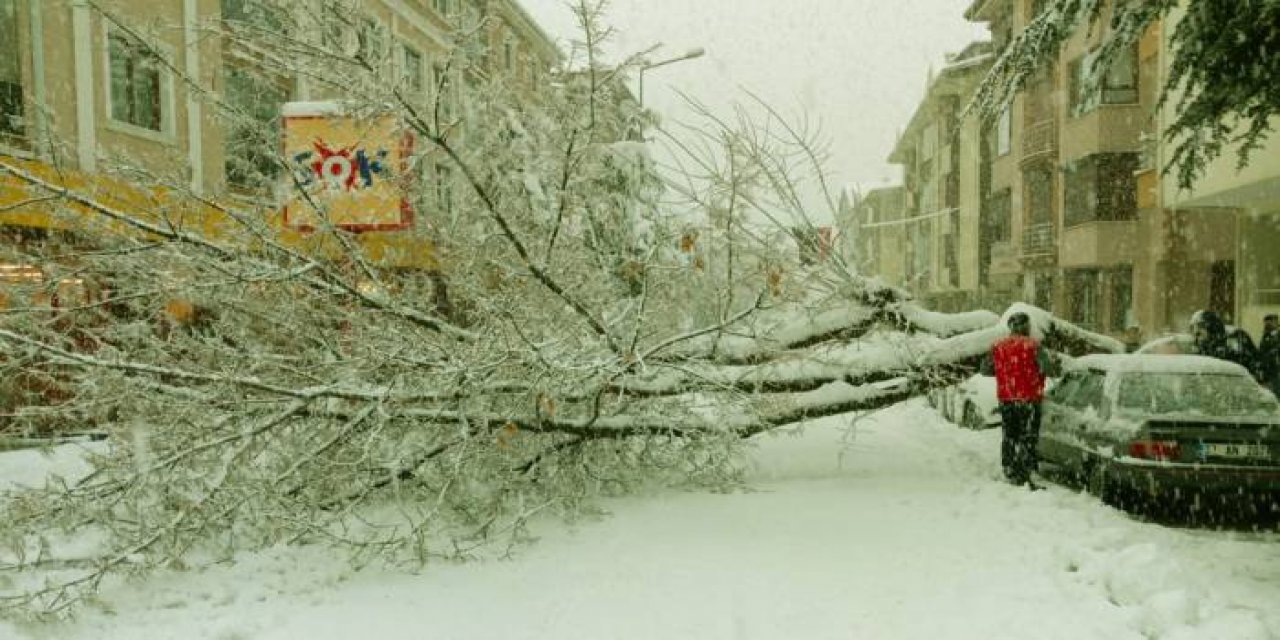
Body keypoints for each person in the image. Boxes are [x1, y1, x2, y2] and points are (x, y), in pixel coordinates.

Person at [980, 312, 1061, 489]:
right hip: (1029, 398)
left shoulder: (998, 346)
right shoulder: (1034, 346)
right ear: (1026, 327)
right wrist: (1053, 363)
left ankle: (1009, 468)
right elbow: (1050, 370)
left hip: (1007, 398)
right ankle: (1026, 471)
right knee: (1028, 436)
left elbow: (985, 369)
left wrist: (1005, 371)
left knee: (1009, 434)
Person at [1189, 310, 1262, 379]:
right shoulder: (1201, 347)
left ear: (1211, 328)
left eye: (1199, 333)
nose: (1196, 339)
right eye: (1194, 332)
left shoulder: (1234, 338)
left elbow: (1249, 364)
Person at [1258, 314, 1280, 396]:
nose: (1267, 324)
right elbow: (1261, 351)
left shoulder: (1278, 336)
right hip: (1268, 369)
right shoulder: (1265, 336)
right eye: (1266, 322)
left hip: (1276, 369)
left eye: (1270, 321)